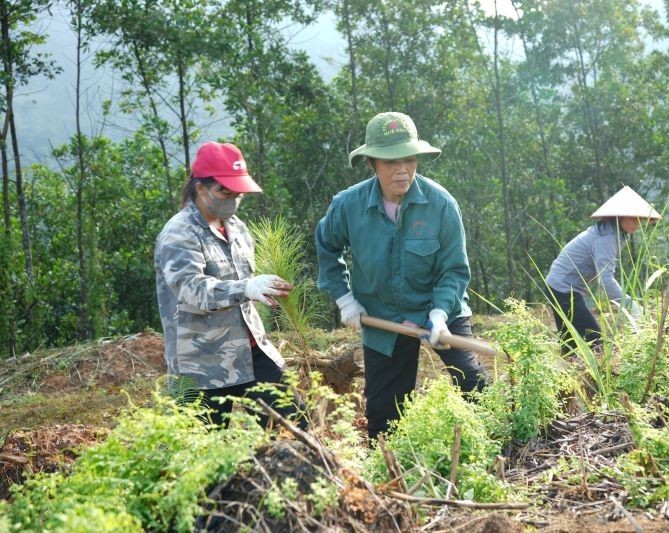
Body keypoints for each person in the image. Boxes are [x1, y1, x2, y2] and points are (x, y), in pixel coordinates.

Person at [315, 111, 487, 441]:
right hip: (383, 316)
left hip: (440, 309)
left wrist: (438, 315)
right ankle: (391, 473)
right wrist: (345, 298)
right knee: (384, 415)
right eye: (391, 162)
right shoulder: (347, 206)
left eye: (409, 160)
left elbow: (453, 270)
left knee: (471, 381)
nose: (402, 170)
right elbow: (327, 247)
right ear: (372, 164)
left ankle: (490, 446)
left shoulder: (441, 205)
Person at [155, 141, 305, 429]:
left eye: (238, 192)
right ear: (200, 188)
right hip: (198, 364)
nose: (234, 198)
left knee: (295, 430)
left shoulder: (237, 228)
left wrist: (261, 287)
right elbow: (190, 289)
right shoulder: (178, 234)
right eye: (226, 191)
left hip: (251, 352)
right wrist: (246, 288)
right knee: (202, 459)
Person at [544, 186, 661, 354]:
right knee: (596, 343)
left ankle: (569, 376)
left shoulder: (612, 233)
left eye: (639, 219)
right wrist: (629, 305)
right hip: (563, 289)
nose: (637, 223)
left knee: (571, 346)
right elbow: (605, 282)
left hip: (560, 286)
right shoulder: (607, 238)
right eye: (632, 218)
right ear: (620, 217)